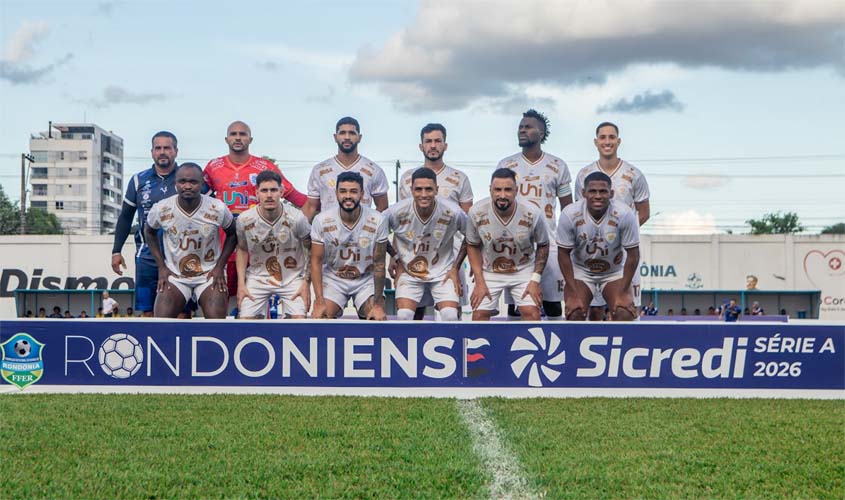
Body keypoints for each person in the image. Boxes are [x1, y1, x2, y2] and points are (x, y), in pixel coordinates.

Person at [203, 121, 307, 300]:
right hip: (222, 247)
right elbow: (199, 201)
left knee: (254, 304)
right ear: (226, 139)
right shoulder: (213, 167)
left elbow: (297, 198)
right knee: (219, 303)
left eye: (242, 134)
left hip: (258, 248)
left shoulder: (265, 166)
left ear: (250, 139)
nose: (238, 138)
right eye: (233, 134)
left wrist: (297, 228)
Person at [497, 109, 571, 320]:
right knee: (516, 306)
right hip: (516, 245)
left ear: (541, 133)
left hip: (549, 243)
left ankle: (556, 348)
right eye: (520, 126)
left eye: (528, 127)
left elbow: (568, 209)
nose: (522, 130)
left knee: (553, 304)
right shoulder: (506, 165)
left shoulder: (557, 166)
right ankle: (513, 349)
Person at [575, 122, 651, 320]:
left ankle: (628, 346)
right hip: (592, 252)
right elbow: (578, 212)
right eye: (603, 137)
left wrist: (621, 236)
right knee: (594, 309)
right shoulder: (584, 174)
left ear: (618, 141)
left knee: (627, 306)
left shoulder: (634, 174)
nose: (607, 141)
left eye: (611, 137)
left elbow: (644, 212)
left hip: (624, 253)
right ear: (596, 142)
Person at [398, 123, 474, 320]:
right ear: (421, 146)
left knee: (450, 309)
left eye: (437, 141)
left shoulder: (459, 178)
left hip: (450, 251)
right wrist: (397, 259)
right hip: (416, 250)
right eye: (428, 141)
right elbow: (401, 221)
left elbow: (469, 224)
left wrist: (466, 262)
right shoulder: (408, 178)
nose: (433, 145)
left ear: (445, 145)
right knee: (415, 308)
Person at [145, 163, 237, 319]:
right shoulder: (162, 209)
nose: (187, 186)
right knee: (160, 323)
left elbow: (233, 234)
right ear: (175, 183)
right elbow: (149, 231)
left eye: (193, 182)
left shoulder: (217, 208)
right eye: (182, 181)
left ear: (201, 184)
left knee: (217, 323)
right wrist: (161, 266)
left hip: (209, 274)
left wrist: (220, 266)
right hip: (176, 275)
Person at [111, 131, 180, 317]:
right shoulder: (138, 180)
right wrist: (116, 251)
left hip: (180, 256)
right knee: (148, 312)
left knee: (182, 312)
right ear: (152, 152)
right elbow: (125, 217)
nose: (162, 152)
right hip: (147, 256)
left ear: (176, 151)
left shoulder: (188, 177)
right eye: (158, 148)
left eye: (167, 148)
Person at [466, 168, 549, 321]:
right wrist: (479, 281)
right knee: (479, 314)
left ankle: (532, 344)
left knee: (532, 312)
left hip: (523, 269)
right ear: (490, 190)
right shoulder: (476, 212)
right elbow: (472, 245)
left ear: (516, 191)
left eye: (508, 190)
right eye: (497, 189)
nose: (502, 195)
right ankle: (480, 345)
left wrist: (535, 280)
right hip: (490, 270)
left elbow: (543, 245)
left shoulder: (533, 212)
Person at [557, 171, 640, 321]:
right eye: (592, 191)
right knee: (575, 312)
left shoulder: (625, 214)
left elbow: (633, 255)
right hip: (581, 270)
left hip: (613, 271)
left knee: (623, 312)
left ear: (611, 193)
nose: (597, 196)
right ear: (583, 193)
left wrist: (622, 294)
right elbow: (563, 254)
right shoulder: (569, 214)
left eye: (603, 191)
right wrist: (573, 293)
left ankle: (616, 344)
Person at [387, 168, 467, 322]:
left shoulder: (453, 212)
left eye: (429, 189)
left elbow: (471, 236)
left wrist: (455, 268)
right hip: (409, 272)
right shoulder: (395, 212)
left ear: (437, 190)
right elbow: (378, 236)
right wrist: (396, 258)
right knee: (404, 316)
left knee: (450, 315)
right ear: (411, 190)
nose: (423, 194)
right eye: (418, 189)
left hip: (443, 271)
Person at [310, 172, 388, 320]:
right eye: (343, 191)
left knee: (376, 317)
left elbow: (379, 264)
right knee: (322, 316)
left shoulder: (378, 220)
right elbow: (316, 262)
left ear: (362, 194)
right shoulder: (321, 220)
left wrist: (378, 304)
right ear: (336, 193)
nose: (348, 196)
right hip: (334, 278)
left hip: (366, 278)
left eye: (353, 191)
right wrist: (319, 300)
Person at [236, 170, 312, 319]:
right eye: (264, 190)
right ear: (257, 193)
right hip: (257, 278)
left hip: (292, 277)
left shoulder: (297, 218)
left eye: (274, 190)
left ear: (281, 192)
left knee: (299, 322)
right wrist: (241, 284)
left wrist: (306, 283)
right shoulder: (244, 219)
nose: (269, 195)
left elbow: (311, 248)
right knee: (245, 322)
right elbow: (242, 249)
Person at [302, 117, 389, 220]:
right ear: (335, 137)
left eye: (352, 133)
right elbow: (311, 206)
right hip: (328, 233)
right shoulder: (320, 170)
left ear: (359, 137)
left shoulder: (374, 170)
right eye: (342, 133)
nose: (347, 137)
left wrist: (370, 229)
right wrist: (297, 231)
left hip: (361, 234)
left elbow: (382, 207)